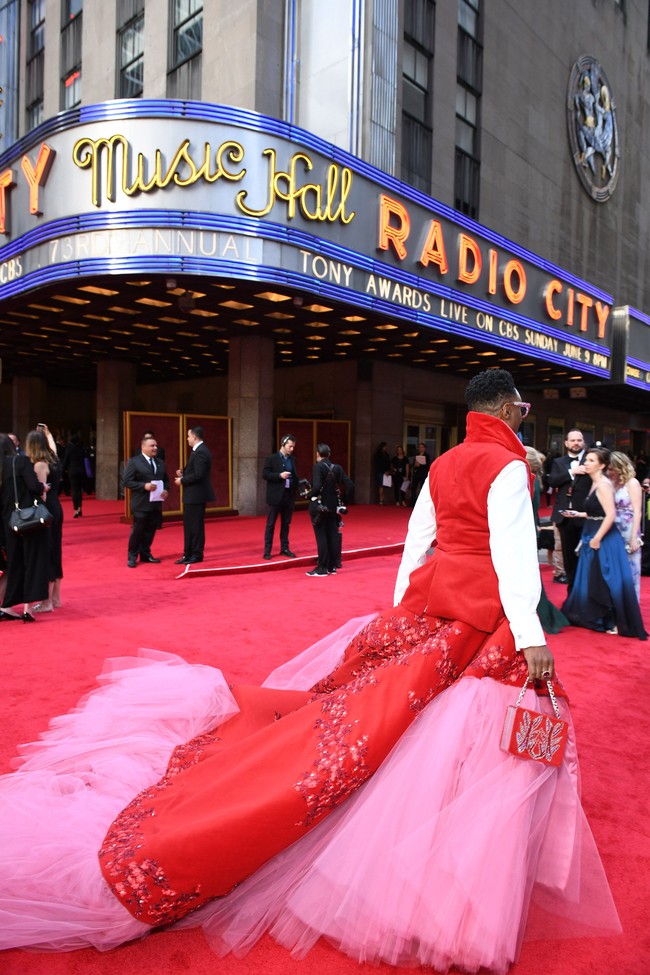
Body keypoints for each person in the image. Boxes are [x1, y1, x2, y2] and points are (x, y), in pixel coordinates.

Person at [0, 371, 622, 969]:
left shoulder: (443, 463)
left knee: (393, 724)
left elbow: (417, 541)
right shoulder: (509, 465)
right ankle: (453, 862)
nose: (522, 418)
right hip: (486, 618)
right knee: (475, 738)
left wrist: (404, 610)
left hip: (433, 604)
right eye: (523, 410)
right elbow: (514, 554)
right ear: (509, 408)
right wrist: (532, 634)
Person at [561, 447, 646, 639]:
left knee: (619, 576)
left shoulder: (616, 484)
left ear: (603, 465)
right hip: (602, 530)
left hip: (616, 532)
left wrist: (601, 538)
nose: (586, 463)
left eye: (591, 460)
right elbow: (599, 511)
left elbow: (621, 513)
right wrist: (579, 514)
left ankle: (619, 618)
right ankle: (603, 615)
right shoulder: (603, 483)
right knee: (605, 576)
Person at [0, 432, 49, 622]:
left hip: (7, 522)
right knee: (34, 560)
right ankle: (28, 608)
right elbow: (34, 486)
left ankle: (7, 605)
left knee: (15, 563)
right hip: (27, 519)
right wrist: (43, 487)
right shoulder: (20, 461)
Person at [526, 447, 569, 635]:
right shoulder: (532, 480)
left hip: (525, 534)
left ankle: (547, 617)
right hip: (528, 532)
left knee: (530, 580)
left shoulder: (530, 481)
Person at [25, 426, 64, 613]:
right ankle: (55, 598)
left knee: (47, 552)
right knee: (55, 551)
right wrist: (48, 434)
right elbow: (54, 448)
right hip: (56, 509)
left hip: (46, 511)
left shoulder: (40, 464)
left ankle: (47, 602)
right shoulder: (54, 460)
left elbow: (42, 496)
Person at [547, 429, 591, 587]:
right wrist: (572, 472)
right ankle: (568, 581)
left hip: (584, 513)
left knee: (585, 550)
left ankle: (584, 583)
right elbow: (552, 481)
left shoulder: (590, 460)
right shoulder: (559, 462)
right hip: (563, 515)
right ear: (566, 443)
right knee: (565, 551)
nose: (576, 443)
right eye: (573, 440)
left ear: (583, 442)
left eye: (579, 440)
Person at [123, 436, 169, 568]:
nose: (155, 448)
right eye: (152, 446)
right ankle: (132, 555)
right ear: (143, 447)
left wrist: (166, 490)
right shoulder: (134, 462)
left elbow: (165, 480)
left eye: (156, 446)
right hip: (140, 503)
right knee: (138, 530)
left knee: (150, 530)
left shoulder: (160, 462)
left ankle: (145, 554)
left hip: (156, 503)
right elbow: (127, 481)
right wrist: (144, 486)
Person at [174, 427, 215, 565]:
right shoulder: (198, 451)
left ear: (195, 437)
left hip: (196, 496)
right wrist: (184, 473)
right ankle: (188, 553)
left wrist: (182, 481)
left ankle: (195, 554)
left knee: (195, 526)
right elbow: (196, 471)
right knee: (190, 526)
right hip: (193, 495)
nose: (187, 439)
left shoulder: (201, 452)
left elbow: (199, 475)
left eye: (188, 436)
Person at [607, 450, 644, 600]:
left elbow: (637, 511)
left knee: (631, 568)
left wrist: (634, 538)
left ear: (619, 467)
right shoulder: (610, 483)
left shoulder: (632, 483)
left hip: (628, 528)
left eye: (611, 469)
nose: (609, 472)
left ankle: (631, 603)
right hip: (612, 528)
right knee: (614, 567)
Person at [306, 443, 343, 577]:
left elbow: (316, 487)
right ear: (329, 454)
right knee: (332, 534)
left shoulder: (318, 467)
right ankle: (332, 566)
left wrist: (309, 495)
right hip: (333, 506)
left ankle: (322, 567)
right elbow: (346, 484)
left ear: (317, 454)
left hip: (321, 507)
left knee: (321, 535)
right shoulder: (337, 468)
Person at [262, 434, 298, 559]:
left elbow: (295, 475)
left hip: (289, 495)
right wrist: (279, 475)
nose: (292, 449)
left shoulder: (292, 459)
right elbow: (265, 474)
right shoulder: (272, 458)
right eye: (290, 446)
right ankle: (267, 550)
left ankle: (285, 548)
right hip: (276, 495)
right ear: (283, 444)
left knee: (286, 523)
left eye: (293, 447)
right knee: (271, 524)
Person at [63, 434, 86, 518]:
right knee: (79, 490)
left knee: (74, 490)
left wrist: (63, 470)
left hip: (72, 471)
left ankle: (76, 509)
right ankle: (80, 508)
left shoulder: (69, 449)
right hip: (81, 471)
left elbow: (65, 460)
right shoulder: (82, 448)